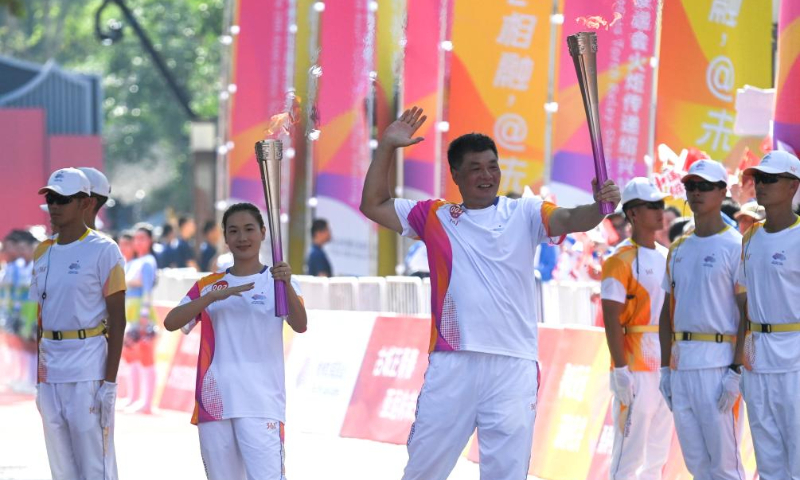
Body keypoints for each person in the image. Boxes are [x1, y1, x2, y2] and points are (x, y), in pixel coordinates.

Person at [359, 107, 621, 479]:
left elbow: (571, 219)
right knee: (423, 470)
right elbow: (374, 205)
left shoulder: (525, 213)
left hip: (513, 364)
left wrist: (599, 206)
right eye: (476, 168)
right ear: (456, 175)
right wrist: (386, 147)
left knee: (507, 473)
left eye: (493, 166)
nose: (487, 175)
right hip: (454, 362)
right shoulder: (434, 216)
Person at [163, 202, 307, 480]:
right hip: (215, 403)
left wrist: (286, 284)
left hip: (261, 403)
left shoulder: (277, 281)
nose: (242, 238)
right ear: (225, 238)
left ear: (263, 233)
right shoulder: (209, 284)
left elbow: (299, 325)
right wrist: (210, 299)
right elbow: (171, 322)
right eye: (234, 231)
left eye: (249, 229)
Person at [31, 167, 126, 480]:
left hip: (87, 364)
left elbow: (118, 319)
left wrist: (109, 384)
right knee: (61, 466)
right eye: (52, 199)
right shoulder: (42, 252)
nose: (54, 206)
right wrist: (38, 379)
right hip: (50, 368)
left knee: (94, 465)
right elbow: (41, 317)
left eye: (63, 199)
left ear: (85, 203)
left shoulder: (104, 250)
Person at [658, 160, 745, 479]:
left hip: (718, 366)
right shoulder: (678, 248)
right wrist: (665, 369)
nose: (696, 192)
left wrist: (736, 371)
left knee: (724, 465)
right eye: (691, 186)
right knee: (697, 465)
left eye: (704, 186)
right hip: (682, 367)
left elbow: (746, 314)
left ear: (722, 191)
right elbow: (666, 313)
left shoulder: (735, 246)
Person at [600, 177, 673, 479]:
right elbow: (610, 318)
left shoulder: (667, 256)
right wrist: (619, 369)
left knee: (658, 453)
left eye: (661, 205)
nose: (659, 211)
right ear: (632, 214)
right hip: (634, 366)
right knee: (629, 453)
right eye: (651, 206)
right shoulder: (619, 260)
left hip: (664, 366)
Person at [736, 151, 800, 477]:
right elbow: (743, 302)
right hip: (757, 359)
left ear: (793, 186)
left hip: (794, 359)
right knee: (768, 461)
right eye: (759, 178)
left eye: (770, 179)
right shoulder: (750, 237)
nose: (761, 185)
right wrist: (738, 361)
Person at [122, 225, 158, 414]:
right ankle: (134, 397)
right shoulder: (134, 262)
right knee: (132, 354)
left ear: (150, 241)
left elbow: (147, 291)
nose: (138, 242)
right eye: (136, 238)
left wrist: (143, 315)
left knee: (145, 355)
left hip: (140, 311)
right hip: (130, 310)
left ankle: (147, 402)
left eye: (142, 238)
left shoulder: (148, 262)